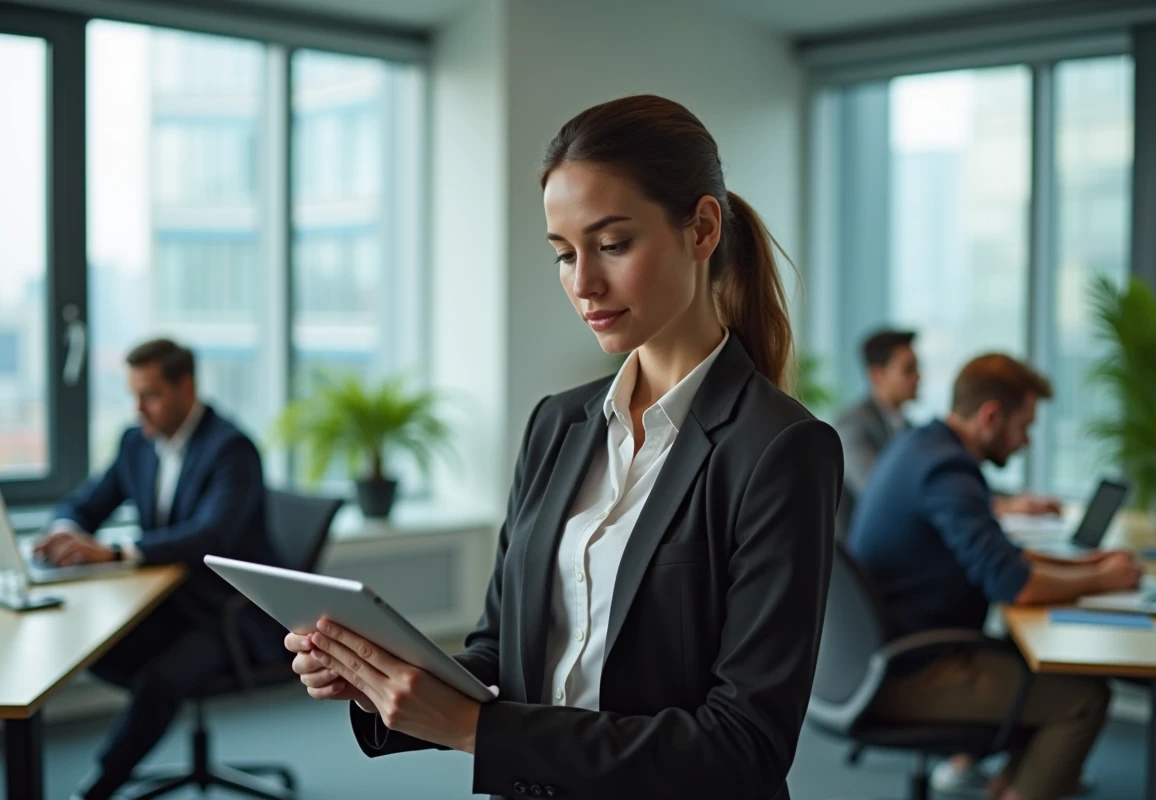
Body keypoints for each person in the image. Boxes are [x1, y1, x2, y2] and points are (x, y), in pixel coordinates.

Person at [286, 95, 843, 800]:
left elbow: (743, 746)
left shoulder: (781, 449)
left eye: (612, 245)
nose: (583, 283)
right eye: (563, 253)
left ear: (701, 229)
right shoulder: (557, 424)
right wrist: (378, 682)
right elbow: (504, 651)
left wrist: (478, 732)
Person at [848, 354, 1141, 800]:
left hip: (885, 655)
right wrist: (1101, 581)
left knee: (1051, 679)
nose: (1026, 442)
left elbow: (1004, 557)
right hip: (909, 672)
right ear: (990, 416)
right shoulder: (947, 471)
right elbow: (1017, 585)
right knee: (1083, 698)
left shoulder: (922, 446)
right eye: (1025, 426)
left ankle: (1010, 788)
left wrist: (1090, 567)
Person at [36, 339, 282, 800]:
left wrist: (112, 553)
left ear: (185, 387)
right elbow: (87, 502)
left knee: (160, 680)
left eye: (150, 395)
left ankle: (100, 786)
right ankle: (149, 719)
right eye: (133, 395)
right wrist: (65, 531)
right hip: (168, 601)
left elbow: (210, 537)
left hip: (228, 609)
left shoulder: (232, 449)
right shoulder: (137, 443)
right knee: (93, 648)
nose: (138, 410)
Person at [833, 328, 920, 539]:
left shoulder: (908, 427)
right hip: (858, 554)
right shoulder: (852, 425)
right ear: (877, 375)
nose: (918, 377)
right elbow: (878, 492)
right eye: (908, 370)